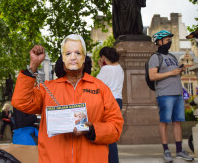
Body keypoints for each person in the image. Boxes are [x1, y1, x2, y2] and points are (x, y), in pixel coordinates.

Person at [11, 34, 124, 163]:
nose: (73, 57)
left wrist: (92, 130)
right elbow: (21, 103)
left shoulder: (101, 89)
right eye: (68, 53)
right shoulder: (47, 89)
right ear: (62, 58)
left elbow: (115, 127)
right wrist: (33, 66)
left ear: (84, 57)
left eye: (78, 53)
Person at [148, 30, 194, 162]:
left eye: (170, 40)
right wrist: (171, 72)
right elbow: (152, 76)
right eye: (167, 40)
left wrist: (179, 71)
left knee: (177, 122)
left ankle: (179, 150)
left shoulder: (173, 57)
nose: (169, 42)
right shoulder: (155, 58)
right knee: (164, 122)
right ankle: (166, 151)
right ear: (159, 42)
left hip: (177, 93)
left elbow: (175, 75)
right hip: (164, 94)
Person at [97, 47, 124, 163]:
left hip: (108, 101)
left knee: (108, 136)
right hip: (118, 100)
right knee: (112, 133)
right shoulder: (119, 67)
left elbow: (96, 85)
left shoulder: (106, 69)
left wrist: (101, 68)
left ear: (103, 57)